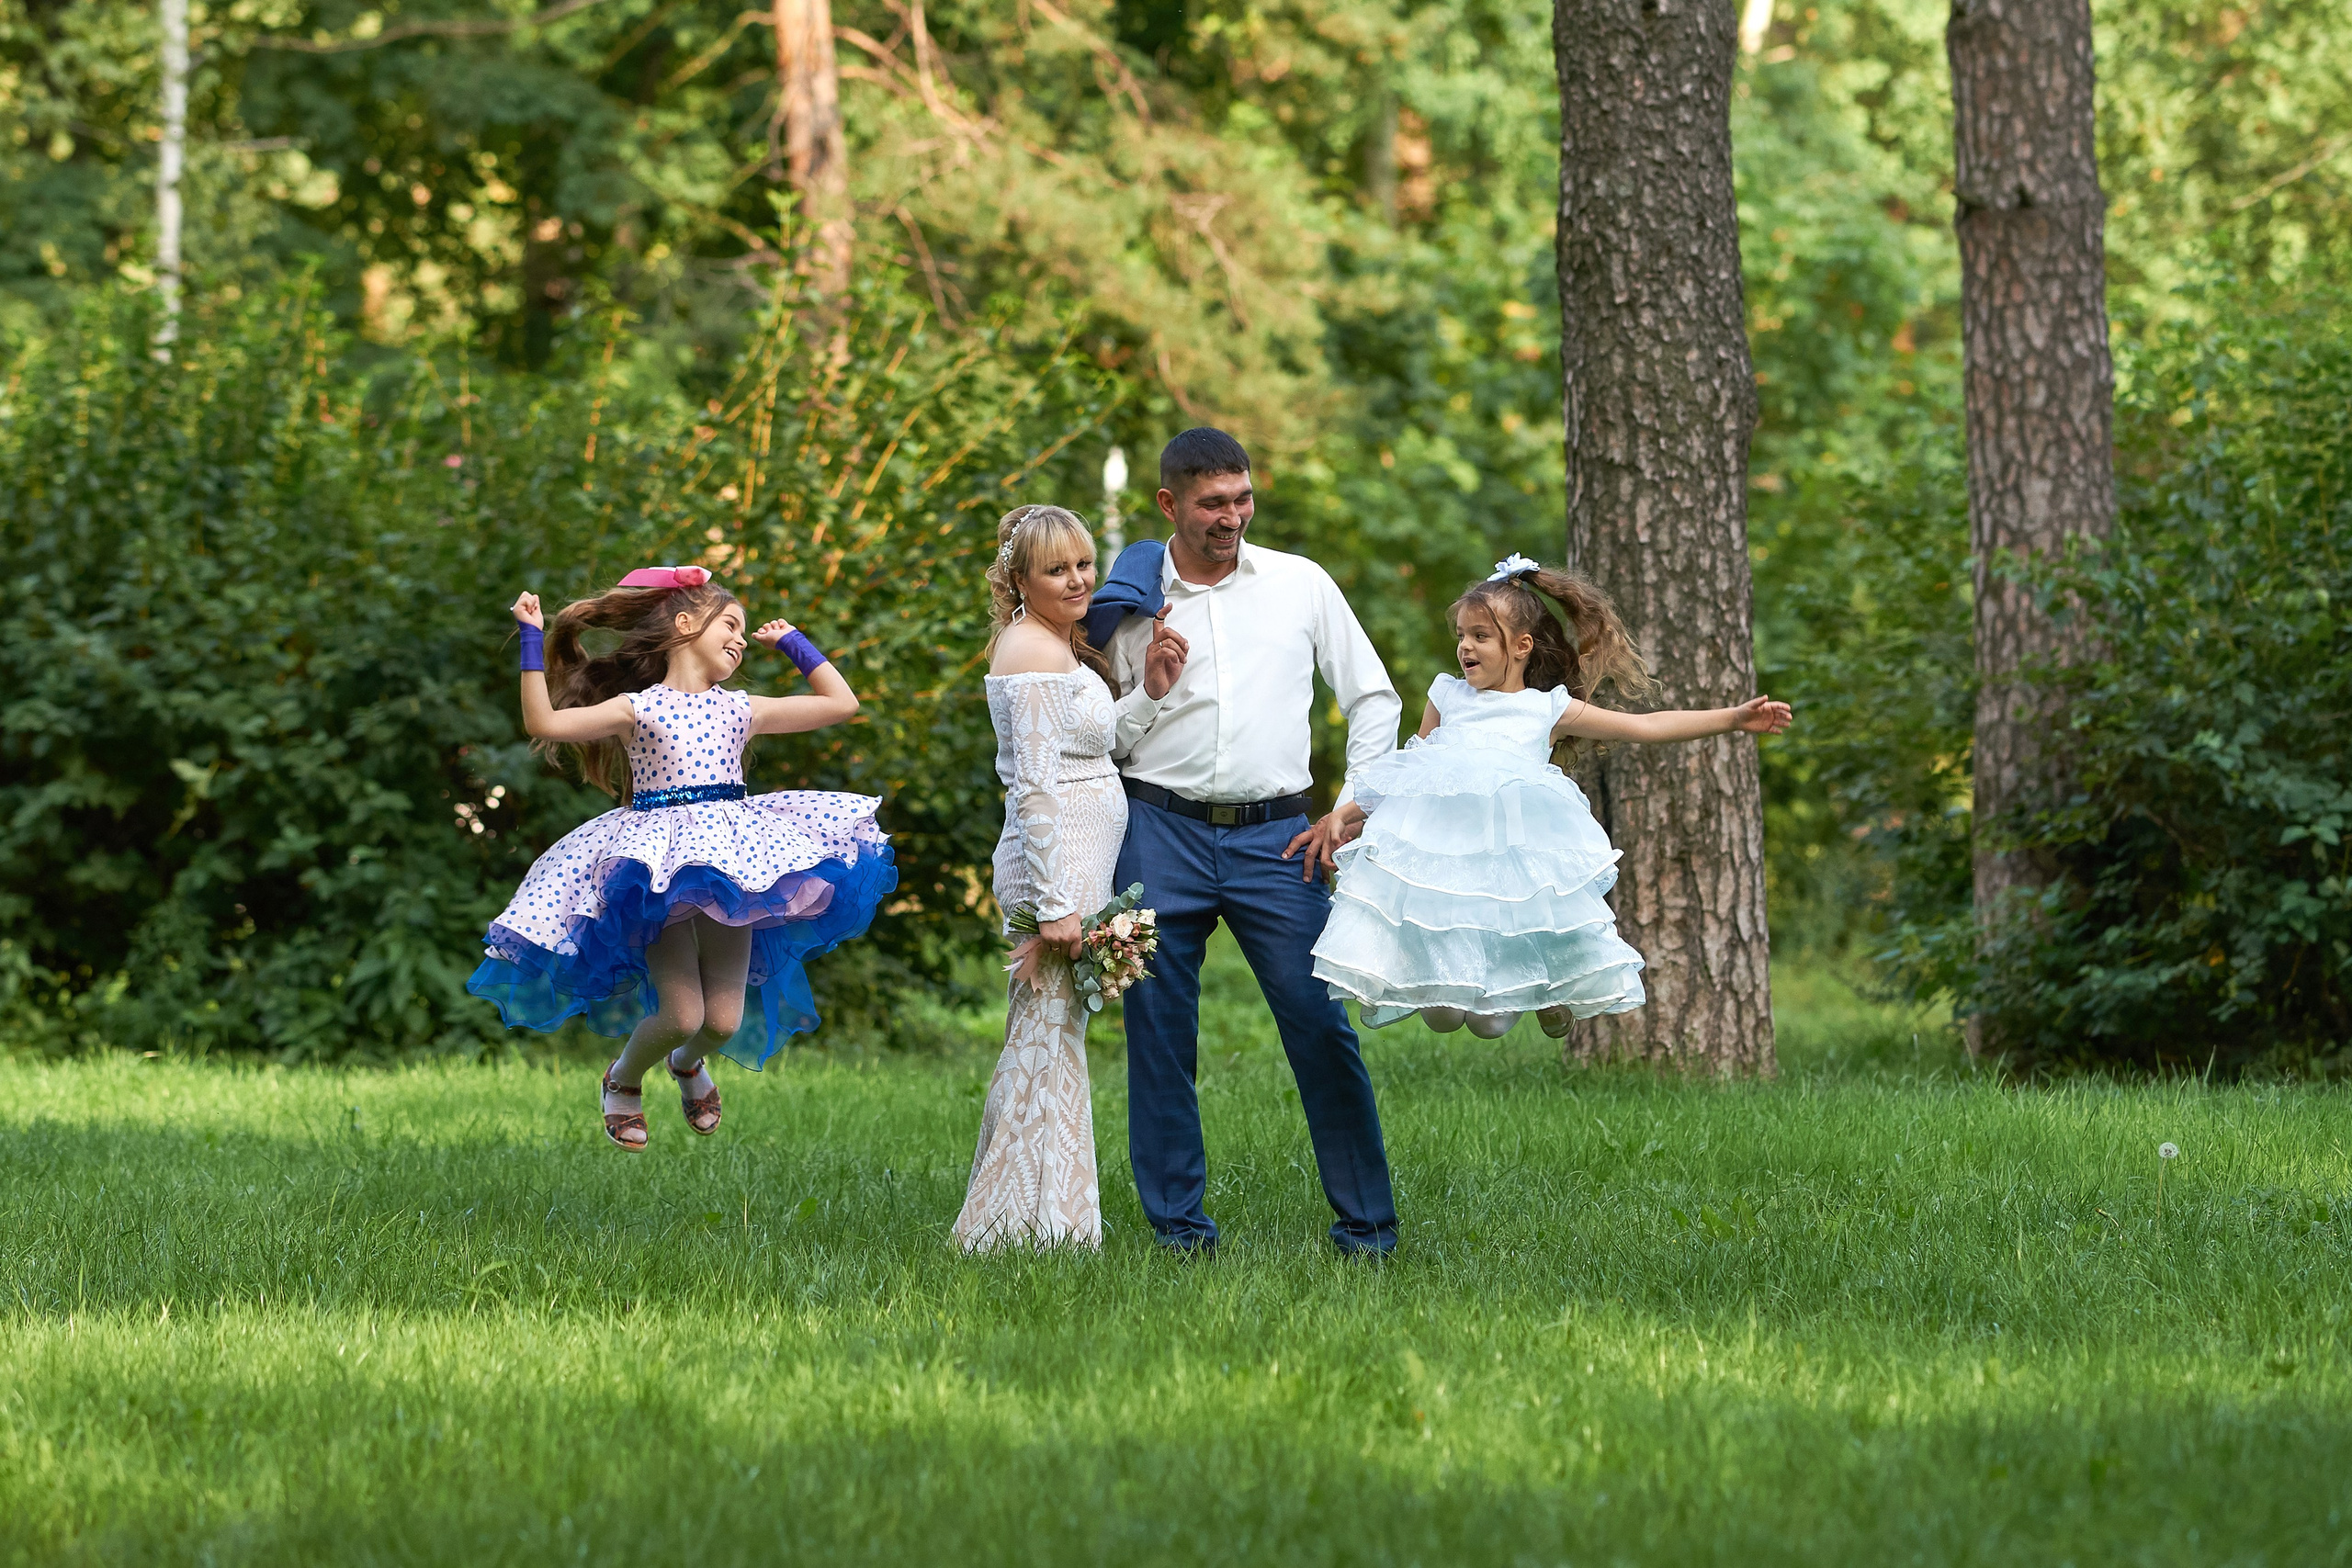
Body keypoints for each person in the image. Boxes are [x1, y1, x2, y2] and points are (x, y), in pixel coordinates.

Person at [1100, 428, 1403, 1258]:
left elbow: (1374, 698)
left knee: (1320, 1024)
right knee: (1158, 1032)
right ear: (1170, 504)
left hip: (1281, 837)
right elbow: (1101, 740)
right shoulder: (1126, 603)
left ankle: (1368, 1229)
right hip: (1157, 829)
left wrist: (1349, 807)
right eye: (1212, 504)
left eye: (1242, 499)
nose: (1231, 517)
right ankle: (1179, 1233)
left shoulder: (1300, 584)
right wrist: (1151, 690)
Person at [467, 565, 895, 1151]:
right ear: (686, 623)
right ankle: (622, 1078)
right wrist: (533, 638)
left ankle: (688, 1066)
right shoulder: (637, 709)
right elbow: (543, 722)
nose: (742, 640)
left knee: (721, 1022)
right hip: (657, 870)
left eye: (746, 632)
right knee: (682, 1014)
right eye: (733, 624)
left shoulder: (741, 709)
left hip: (735, 864)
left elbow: (841, 703)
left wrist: (793, 642)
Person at [1312, 555, 1792, 1038]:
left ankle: (1548, 986)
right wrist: (1349, 812)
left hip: (1517, 861)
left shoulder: (1546, 708)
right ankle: (1472, 982)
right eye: (1461, 634)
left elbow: (1643, 727)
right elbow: (1414, 769)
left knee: (1489, 1024)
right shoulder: (1446, 696)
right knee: (1441, 1013)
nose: (1465, 646)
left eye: (1480, 635)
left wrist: (1732, 718)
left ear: (1521, 646)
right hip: (1446, 861)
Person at [954, 506, 1187, 1250]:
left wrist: (1148, 689)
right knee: (1044, 1036)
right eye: (1057, 569)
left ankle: (1048, 1219)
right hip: (1051, 873)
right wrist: (1055, 906)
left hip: (1080, 865)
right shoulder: (1027, 649)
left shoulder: (1059, 643)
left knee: (1055, 1037)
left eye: (1085, 563)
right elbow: (1034, 786)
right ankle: (1008, 1223)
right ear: (1019, 579)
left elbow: (1099, 743)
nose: (1079, 579)